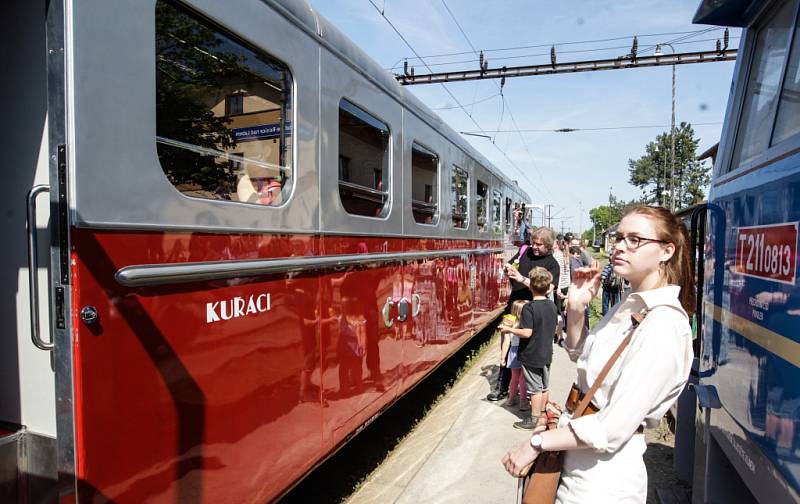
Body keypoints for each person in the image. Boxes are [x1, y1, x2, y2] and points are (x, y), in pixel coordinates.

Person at [501, 206, 695, 503]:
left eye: (634, 239)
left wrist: (537, 442)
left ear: (666, 251)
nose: (619, 246)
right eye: (619, 237)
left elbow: (612, 428)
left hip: (602, 480)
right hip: (577, 458)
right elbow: (581, 356)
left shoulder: (664, 325)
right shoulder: (629, 306)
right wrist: (576, 309)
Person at [488, 227, 561, 401]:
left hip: (534, 310)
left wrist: (522, 279)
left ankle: (531, 388)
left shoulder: (552, 265)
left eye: (539, 245)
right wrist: (509, 269)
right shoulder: (525, 251)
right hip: (514, 306)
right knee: (507, 345)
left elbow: (547, 289)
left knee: (529, 349)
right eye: (533, 243)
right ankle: (502, 385)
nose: (534, 247)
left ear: (549, 247)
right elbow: (513, 265)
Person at [502, 267, 558, 430]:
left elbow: (526, 333)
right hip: (546, 352)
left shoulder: (529, 308)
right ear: (548, 288)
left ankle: (534, 419)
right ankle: (543, 413)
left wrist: (509, 330)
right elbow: (555, 327)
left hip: (531, 354)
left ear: (530, 287)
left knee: (534, 389)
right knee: (544, 386)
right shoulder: (551, 305)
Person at [502, 300, 529, 409]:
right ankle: (523, 401)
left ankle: (510, 399)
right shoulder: (526, 323)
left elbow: (506, 342)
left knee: (514, 378)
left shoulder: (509, 322)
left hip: (512, 353)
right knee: (523, 378)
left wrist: (502, 358)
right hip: (524, 352)